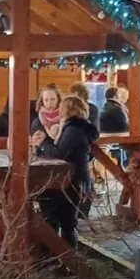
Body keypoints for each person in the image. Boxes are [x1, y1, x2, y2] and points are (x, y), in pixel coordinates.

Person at [33, 95, 98, 244]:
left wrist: (42, 145)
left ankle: (65, 257)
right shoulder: (79, 127)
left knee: (65, 221)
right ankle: (63, 257)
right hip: (75, 179)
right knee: (65, 220)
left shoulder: (73, 129)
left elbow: (60, 153)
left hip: (71, 181)